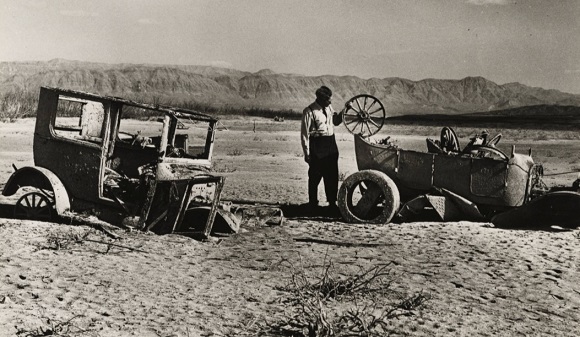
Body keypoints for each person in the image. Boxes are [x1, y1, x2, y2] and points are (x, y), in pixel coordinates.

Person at [300, 86, 349, 212]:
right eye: (328, 100)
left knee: (332, 175)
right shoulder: (309, 111)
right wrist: (307, 153)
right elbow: (305, 134)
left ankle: (332, 203)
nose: (330, 102)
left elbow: (336, 122)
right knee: (315, 176)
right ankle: (313, 204)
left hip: (331, 144)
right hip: (317, 144)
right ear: (320, 99)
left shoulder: (329, 108)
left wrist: (345, 109)